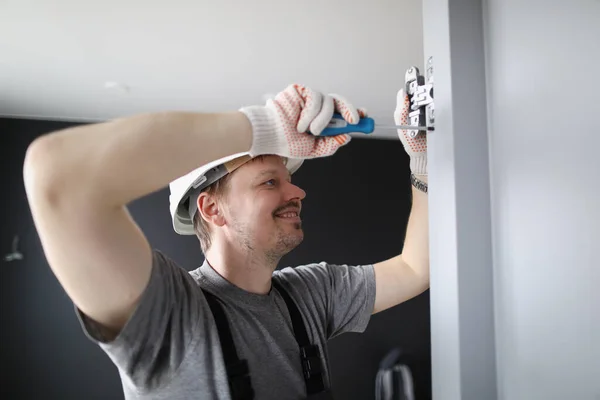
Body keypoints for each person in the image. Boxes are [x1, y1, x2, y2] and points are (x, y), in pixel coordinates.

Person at [23, 83, 429, 399]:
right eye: (270, 181)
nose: (298, 193)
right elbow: (57, 175)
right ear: (212, 210)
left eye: (290, 180)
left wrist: (424, 166)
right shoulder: (171, 315)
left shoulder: (309, 294)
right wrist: (263, 126)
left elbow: (416, 268)